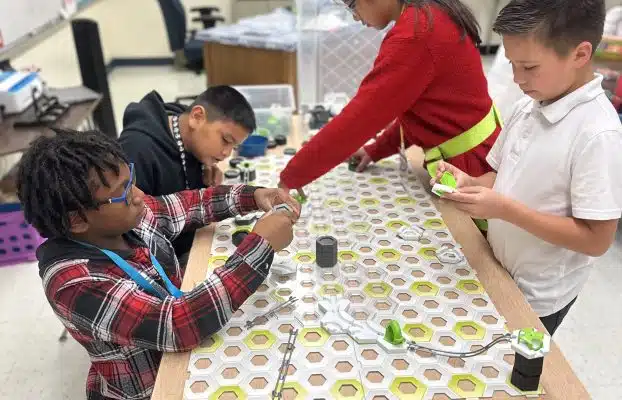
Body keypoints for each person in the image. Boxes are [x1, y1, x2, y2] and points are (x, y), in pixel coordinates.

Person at [17, 128, 299, 400]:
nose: (139, 195)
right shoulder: (75, 283)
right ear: (77, 220)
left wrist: (252, 196)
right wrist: (260, 246)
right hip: (150, 388)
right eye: (123, 193)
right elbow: (178, 325)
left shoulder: (125, 219)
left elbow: (189, 205)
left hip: (187, 353)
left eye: (131, 180)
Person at [437, 0, 621, 335]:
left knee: (514, 363)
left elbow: (596, 240)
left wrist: (506, 210)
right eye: (512, 64)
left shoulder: (598, 134)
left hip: (539, 296)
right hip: (497, 266)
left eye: (529, 67)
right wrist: (469, 183)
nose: (517, 78)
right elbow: (500, 176)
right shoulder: (527, 106)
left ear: (580, 54)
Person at [278, 0, 502, 192]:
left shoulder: (416, 33)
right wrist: (376, 149)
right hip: (474, 154)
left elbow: (361, 119)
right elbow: (420, 109)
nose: (355, 17)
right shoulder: (428, 14)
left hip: (471, 169)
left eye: (352, 5)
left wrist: (290, 179)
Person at [119, 86, 255, 260]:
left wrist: (203, 166)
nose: (227, 153)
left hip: (194, 236)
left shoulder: (189, 133)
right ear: (197, 117)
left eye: (234, 147)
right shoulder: (138, 150)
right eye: (225, 140)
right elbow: (131, 232)